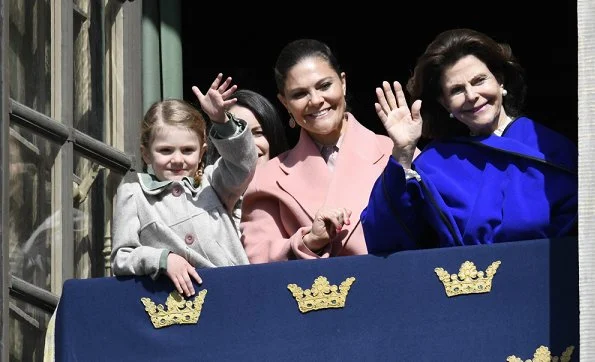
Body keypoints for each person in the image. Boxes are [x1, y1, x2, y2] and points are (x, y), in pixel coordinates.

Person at [361, 28, 578, 254]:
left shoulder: (550, 147)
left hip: (544, 281)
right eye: (456, 90)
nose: (472, 95)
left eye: (479, 80)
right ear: (445, 104)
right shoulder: (435, 164)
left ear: (500, 81)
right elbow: (385, 239)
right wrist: (403, 153)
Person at [240, 38, 396, 263]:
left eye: (324, 86)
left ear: (343, 83)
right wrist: (309, 241)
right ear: (284, 103)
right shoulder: (267, 180)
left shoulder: (393, 152)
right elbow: (260, 263)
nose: (315, 100)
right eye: (299, 94)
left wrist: (406, 152)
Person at [110, 73, 258, 297]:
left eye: (188, 150)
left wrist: (221, 120)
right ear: (146, 154)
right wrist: (162, 259)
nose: (177, 159)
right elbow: (122, 257)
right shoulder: (134, 194)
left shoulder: (213, 182)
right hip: (173, 306)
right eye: (166, 150)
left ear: (202, 152)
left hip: (234, 294)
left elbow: (243, 165)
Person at [203, 89, 290, 232]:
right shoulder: (206, 194)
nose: (249, 145)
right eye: (239, 135)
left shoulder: (295, 188)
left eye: (258, 133)